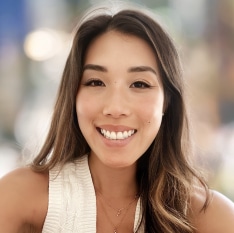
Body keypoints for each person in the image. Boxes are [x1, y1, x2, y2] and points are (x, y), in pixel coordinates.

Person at [0, 4, 234, 233]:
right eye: (96, 82)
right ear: (73, 95)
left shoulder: (210, 217)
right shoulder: (19, 198)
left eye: (140, 84)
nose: (115, 107)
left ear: (167, 101)